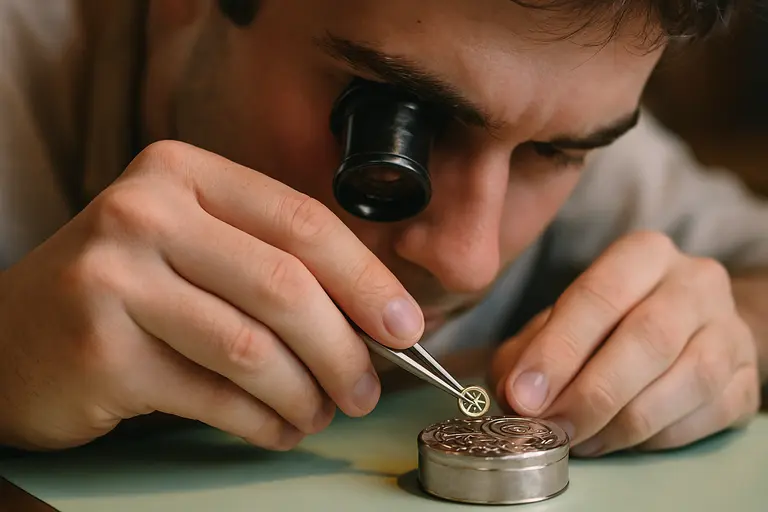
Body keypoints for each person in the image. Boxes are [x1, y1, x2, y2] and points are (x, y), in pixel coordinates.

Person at [0, 0, 766, 460]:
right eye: (399, 116)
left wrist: (724, 333)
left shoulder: (554, 97)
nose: (468, 263)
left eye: (556, 154)